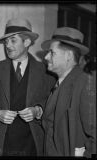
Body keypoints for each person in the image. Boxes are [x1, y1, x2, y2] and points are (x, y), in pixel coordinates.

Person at [0, 18, 55, 156]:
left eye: (13, 40)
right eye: (6, 41)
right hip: (1, 144)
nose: (7, 45)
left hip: (33, 144)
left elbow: (52, 103)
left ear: (27, 42)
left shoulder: (46, 71)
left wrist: (38, 110)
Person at [41, 27, 96, 157]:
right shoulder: (59, 82)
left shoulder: (85, 82)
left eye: (52, 52)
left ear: (68, 56)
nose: (46, 57)